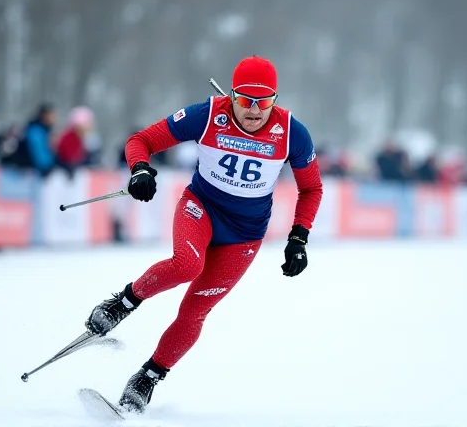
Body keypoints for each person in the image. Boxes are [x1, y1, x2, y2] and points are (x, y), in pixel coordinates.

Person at [84, 55, 324, 414]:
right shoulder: (208, 114)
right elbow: (141, 140)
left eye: (265, 101)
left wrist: (299, 238)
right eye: (245, 101)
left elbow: (312, 189)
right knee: (186, 265)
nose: (255, 111)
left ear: (275, 99)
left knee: (196, 309)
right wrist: (140, 170)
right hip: (201, 209)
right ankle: (122, 303)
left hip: (244, 235)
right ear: (231, 95)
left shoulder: (292, 133)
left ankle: (147, 378)